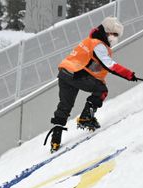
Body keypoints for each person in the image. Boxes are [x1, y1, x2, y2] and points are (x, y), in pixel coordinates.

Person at [46, 17, 137, 152]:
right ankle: (86, 117)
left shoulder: (90, 42)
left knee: (65, 105)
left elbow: (93, 68)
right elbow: (109, 65)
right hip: (76, 74)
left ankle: (55, 138)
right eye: (115, 34)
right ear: (107, 32)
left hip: (66, 73)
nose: (115, 38)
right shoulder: (98, 45)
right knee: (102, 91)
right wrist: (128, 74)